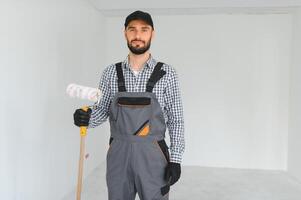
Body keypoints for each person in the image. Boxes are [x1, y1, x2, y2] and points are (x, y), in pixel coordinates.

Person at [73, 10, 185, 200]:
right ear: (125, 33)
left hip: (153, 155)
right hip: (119, 153)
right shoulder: (110, 73)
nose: (138, 35)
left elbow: (176, 120)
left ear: (152, 34)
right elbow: (102, 110)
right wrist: (87, 118)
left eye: (144, 30)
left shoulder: (167, 74)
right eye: (132, 30)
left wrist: (176, 159)